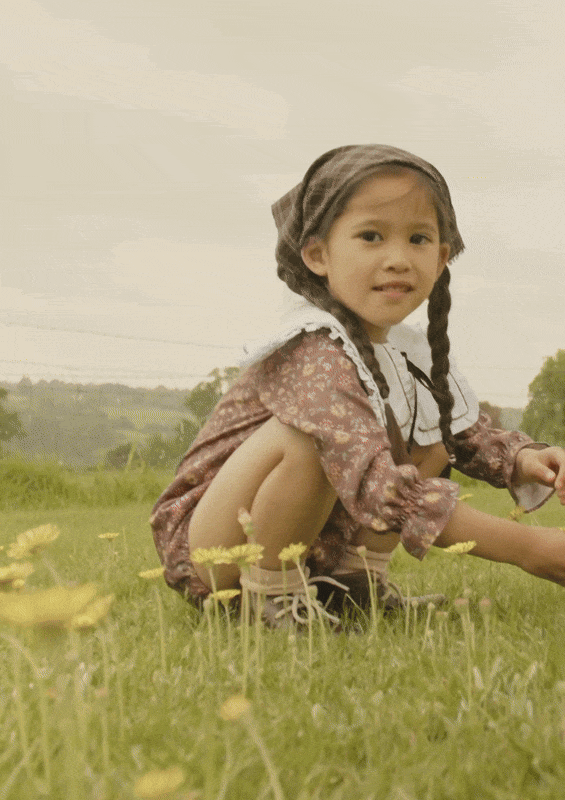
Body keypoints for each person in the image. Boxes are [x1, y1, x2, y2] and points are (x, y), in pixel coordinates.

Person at [151, 144, 565, 626]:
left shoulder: (407, 351)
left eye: (418, 238)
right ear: (317, 255)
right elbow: (374, 480)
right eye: (371, 236)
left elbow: (463, 436)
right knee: (309, 438)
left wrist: (525, 458)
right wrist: (531, 548)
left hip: (312, 545)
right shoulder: (312, 349)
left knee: (430, 435)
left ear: (441, 258)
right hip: (218, 548)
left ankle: (353, 587)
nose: (399, 259)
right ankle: (270, 598)